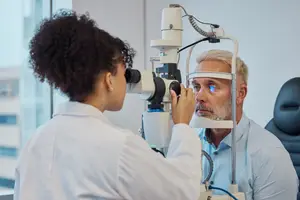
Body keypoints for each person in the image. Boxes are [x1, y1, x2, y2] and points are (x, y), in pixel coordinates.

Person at [13, 10, 202, 200]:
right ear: (109, 79)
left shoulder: (34, 143)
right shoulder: (120, 147)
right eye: (123, 72)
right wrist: (182, 126)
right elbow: (182, 192)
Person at [192, 49, 298, 200]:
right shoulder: (190, 143)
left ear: (240, 94)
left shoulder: (269, 155)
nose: (199, 96)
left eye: (212, 87)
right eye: (196, 87)